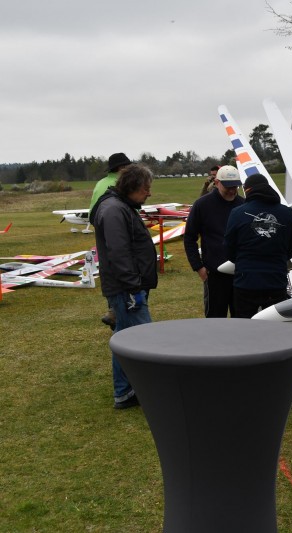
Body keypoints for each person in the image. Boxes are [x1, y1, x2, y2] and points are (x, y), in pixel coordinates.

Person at [89, 164, 158, 409]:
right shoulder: (114, 210)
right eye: (146, 189)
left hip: (128, 286)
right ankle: (133, 390)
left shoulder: (121, 206)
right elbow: (118, 252)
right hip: (125, 289)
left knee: (125, 337)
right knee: (141, 338)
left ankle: (125, 391)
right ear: (133, 187)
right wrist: (132, 288)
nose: (149, 193)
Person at [224, 173, 292, 318]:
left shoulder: (237, 213)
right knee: (275, 326)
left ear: (247, 190)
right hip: (276, 280)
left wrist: (243, 262)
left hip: (246, 281)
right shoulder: (286, 212)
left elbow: (229, 249)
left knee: (244, 325)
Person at [184, 165, 244, 318]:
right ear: (217, 183)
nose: (232, 191)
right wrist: (199, 267)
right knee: (215, 320)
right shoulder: (202, 205)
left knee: (243, 320)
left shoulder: (244, 205)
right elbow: (189, 237)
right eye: (228, 187)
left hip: (241, 274)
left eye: (235, 186)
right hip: (214, 275)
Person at [90, 152, 132, 331]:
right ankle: (118, 314)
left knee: (109, 272)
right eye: (127, 166)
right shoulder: (123, 184)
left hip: (102, 236)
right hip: (120, 235)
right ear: (121, 168)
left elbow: (92, 213)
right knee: (123, 273)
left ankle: (113, 310)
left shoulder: (100, 184)